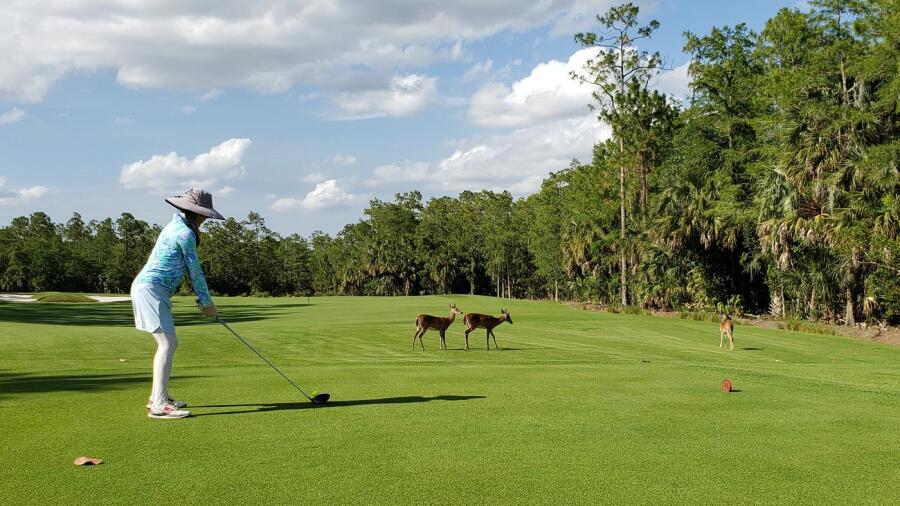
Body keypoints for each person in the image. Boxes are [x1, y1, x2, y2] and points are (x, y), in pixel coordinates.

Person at [130, 189, 224, 419]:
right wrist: (206, 302)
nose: (204, 220)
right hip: (152, 289)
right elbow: (195, 270)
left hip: (152, 289)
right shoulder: (185, 234)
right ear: (192, 212)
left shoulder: (175, 226)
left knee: (168, 343)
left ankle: (157, 396)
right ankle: (159, 406)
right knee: (168, 343)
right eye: (203, 215)